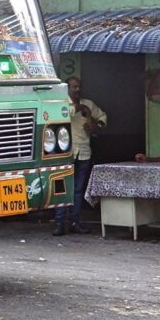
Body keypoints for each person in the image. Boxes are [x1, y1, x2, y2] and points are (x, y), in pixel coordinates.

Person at [53, 76, 107, 236]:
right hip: (64, 152)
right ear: (66, 88)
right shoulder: (61, 102)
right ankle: (59, 223)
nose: (77, 90)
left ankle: (75, 222)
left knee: (77, 190)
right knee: (62, 189)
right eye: (74, 87)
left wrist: (96, 124)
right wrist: (80, 107)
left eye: (79, 87)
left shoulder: (89, 103)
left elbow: (103, 116)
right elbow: (64, 114)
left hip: (83, 152)